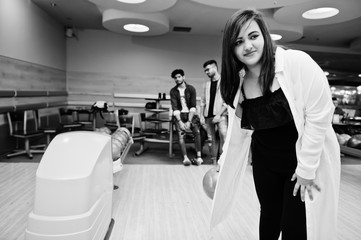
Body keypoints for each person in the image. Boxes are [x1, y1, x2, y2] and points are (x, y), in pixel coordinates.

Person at [210, 9, 341, 240]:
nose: (248, 46)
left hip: (300, 162)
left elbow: (320, 116)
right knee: (269, 216)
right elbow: (236, 131)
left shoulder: (296, 63)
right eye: (239, 41)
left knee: (296, 226)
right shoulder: (235, 84)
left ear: (264, 35)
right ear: (231, 48)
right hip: (265, 161)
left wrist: (307, 169)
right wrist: (223, 163)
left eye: (253, 36)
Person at [170, 69, 203, 166]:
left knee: (197, 132)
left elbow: (193, 106)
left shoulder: (191, 89)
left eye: (179, 77)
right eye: (175, 78)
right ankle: (185, 158)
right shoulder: (173, 91)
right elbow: (175, 107)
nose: (177, 79)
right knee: (181, 135)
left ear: (183, 77)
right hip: (179, 115)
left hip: (190, 114)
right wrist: (180, 121)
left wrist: (189, 121)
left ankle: (199, 157)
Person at [200, 60, 228, 164]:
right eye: (205, 71)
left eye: (208, 69)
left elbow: (227, 101)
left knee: (223, 136)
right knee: (211, 140)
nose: (206, 72)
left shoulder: (225, 82)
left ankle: (222, 160)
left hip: (220, 115)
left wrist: (219, 114)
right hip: (208, 116)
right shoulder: (206, 84)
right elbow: (202, 102)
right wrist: (201, 115)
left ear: (215, 68)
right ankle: (213, 161)